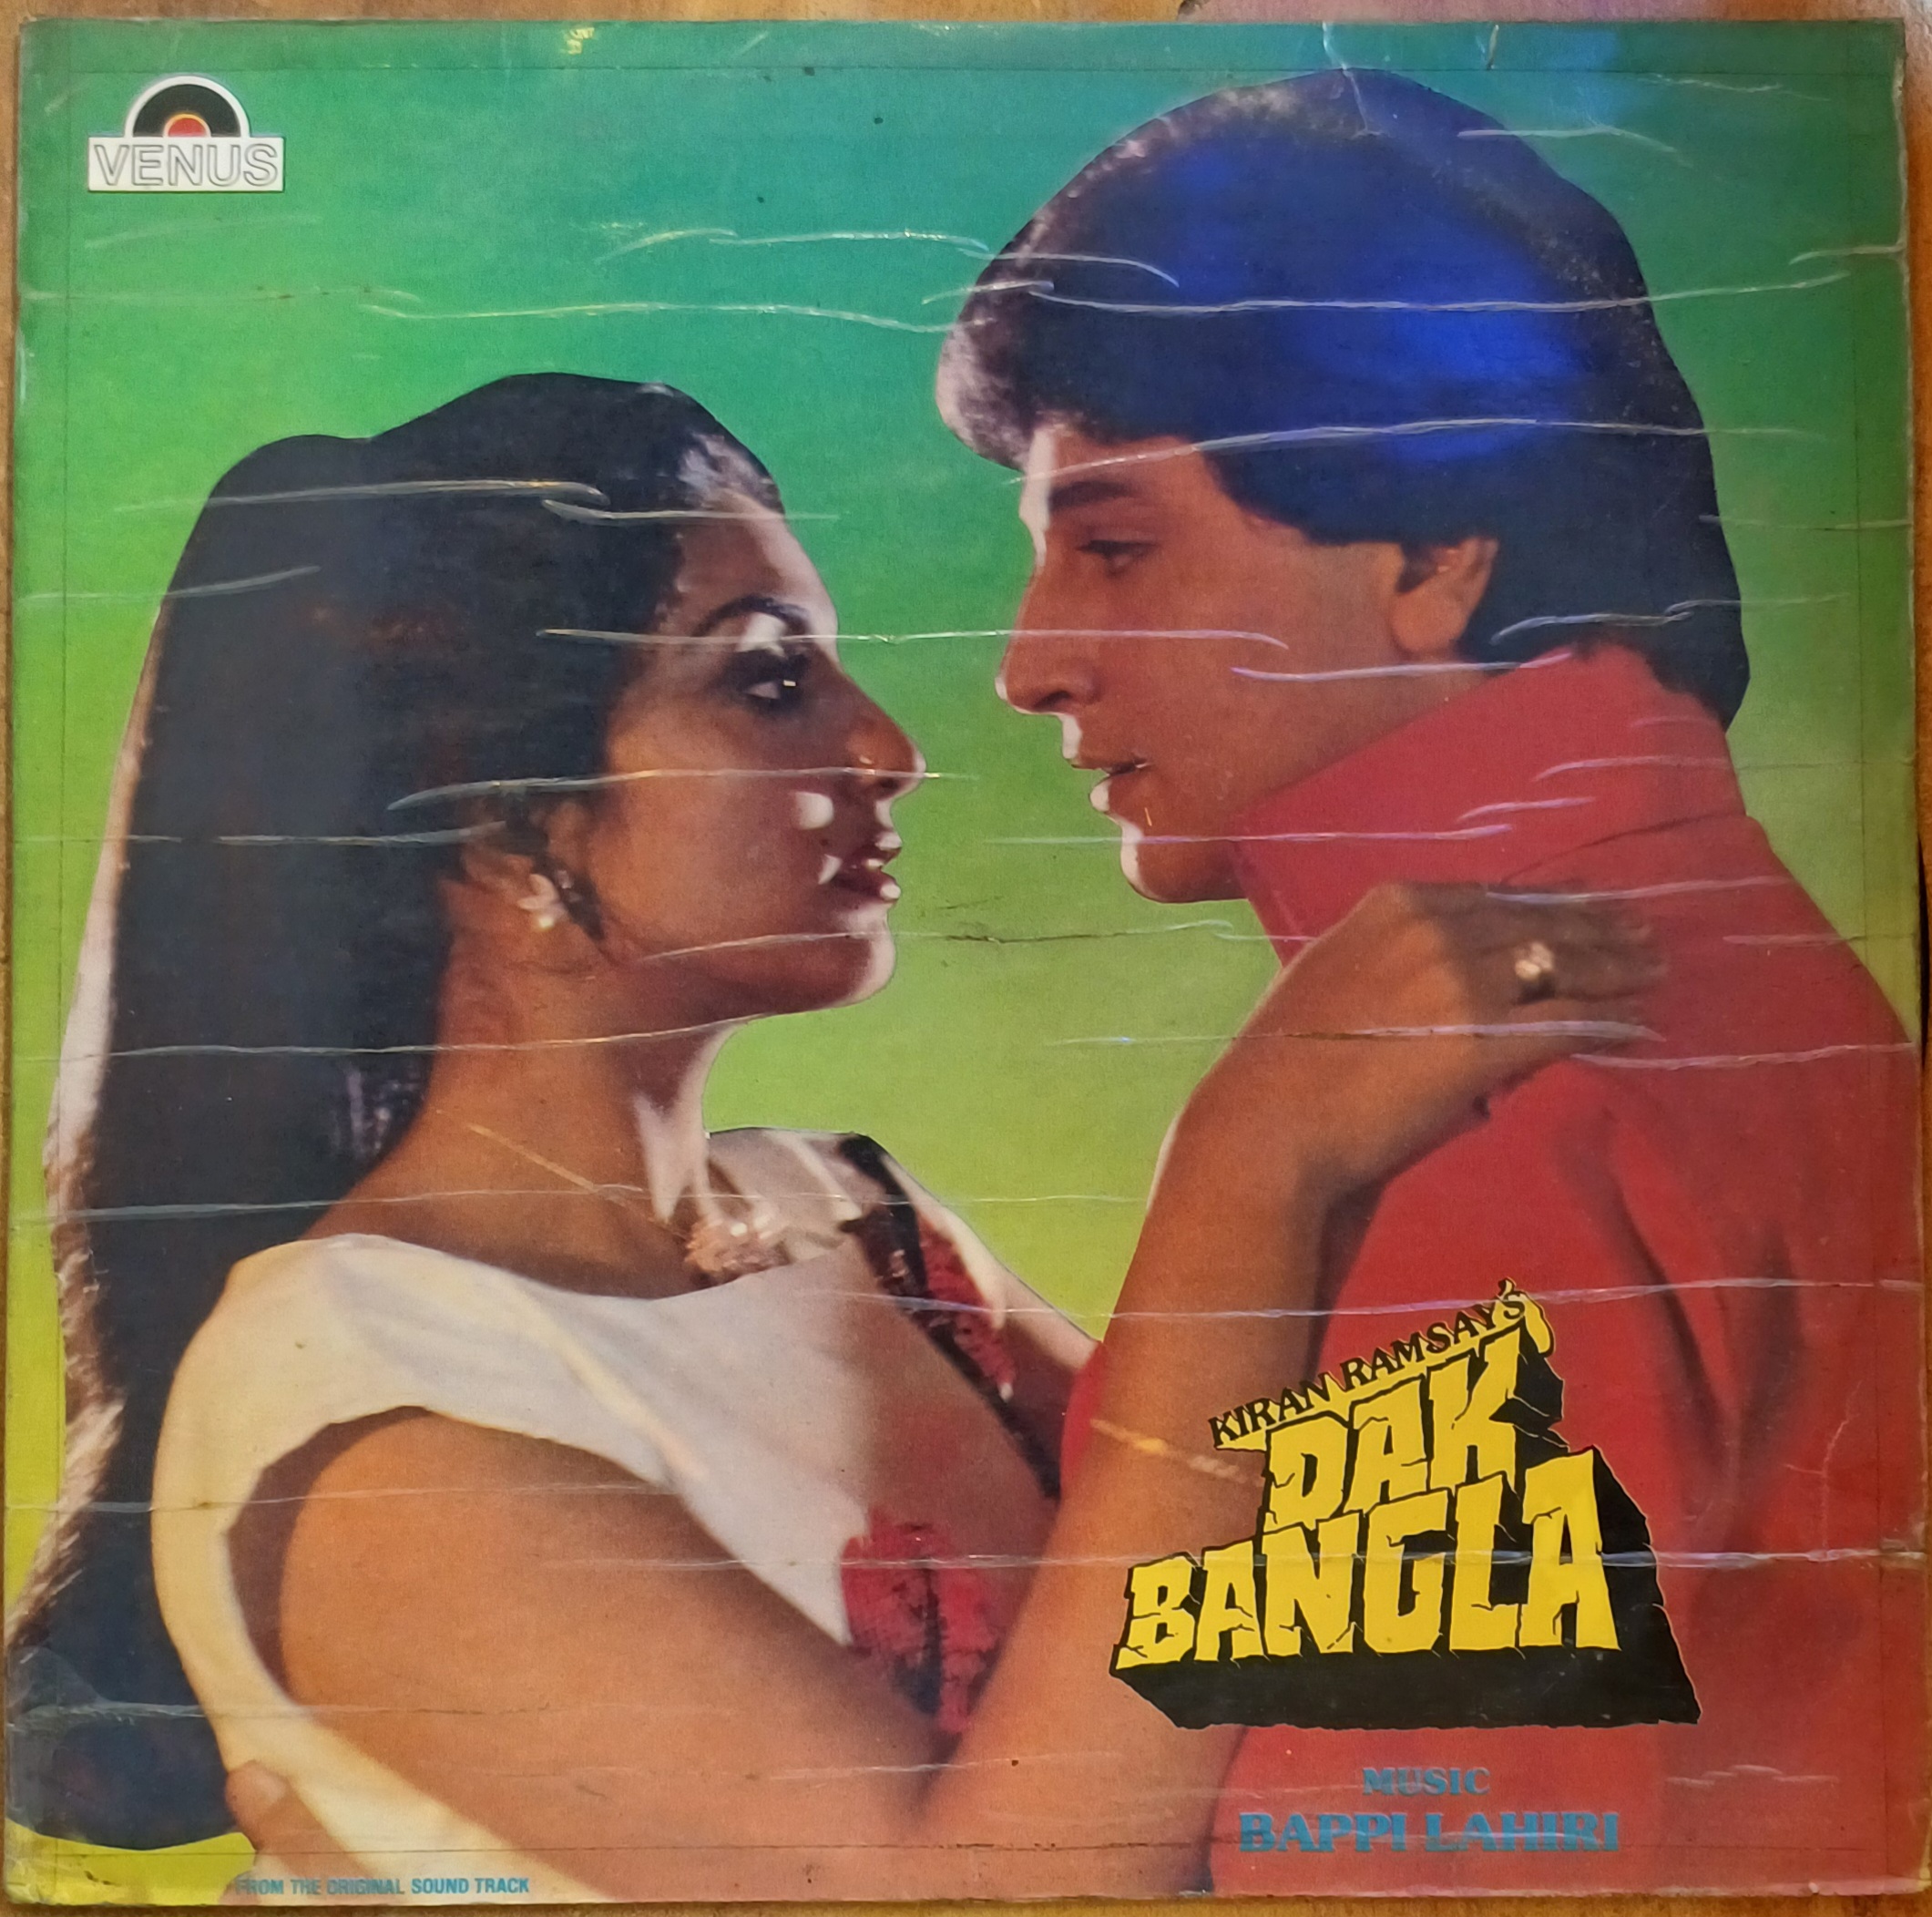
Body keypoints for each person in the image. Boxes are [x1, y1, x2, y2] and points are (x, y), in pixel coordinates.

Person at [6, 373, 1655, 1897]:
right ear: (497, 829)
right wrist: (1256, 1158)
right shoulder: (377, 1400)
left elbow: (1306, 1612)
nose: (888, 748)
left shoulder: (851, 1216)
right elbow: (994, 1887)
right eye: (769, 680)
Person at [936, 69, 1922, 1891]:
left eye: (1115, 547)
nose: (1026, 663)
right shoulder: (1747, 955)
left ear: (1431, 556)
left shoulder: (1450, 1121)